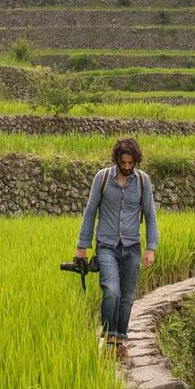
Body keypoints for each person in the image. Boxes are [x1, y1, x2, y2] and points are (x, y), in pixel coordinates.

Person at [75, 138, 158, 361]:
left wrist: (151, 248)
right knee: (111, 291)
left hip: (132, 247)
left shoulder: (143, 181)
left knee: (127, 297)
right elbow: (90, 211)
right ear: (117, 160)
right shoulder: (102, 178)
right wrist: (82, 246)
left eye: (131, 163)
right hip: (106, 246)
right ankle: (109, 337)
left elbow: (150, 215)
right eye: (124, 162)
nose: (127, 166)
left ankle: (120, 341)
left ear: (136, 161)